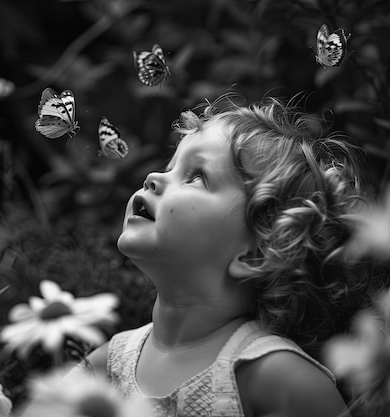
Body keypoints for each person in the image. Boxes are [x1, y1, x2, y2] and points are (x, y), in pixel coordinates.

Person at [69, 95, 374, 417]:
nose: (153, 178)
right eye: (170, 167)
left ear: (257, 254)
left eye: (196, 176)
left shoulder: (279, 378)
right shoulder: (107, 365)